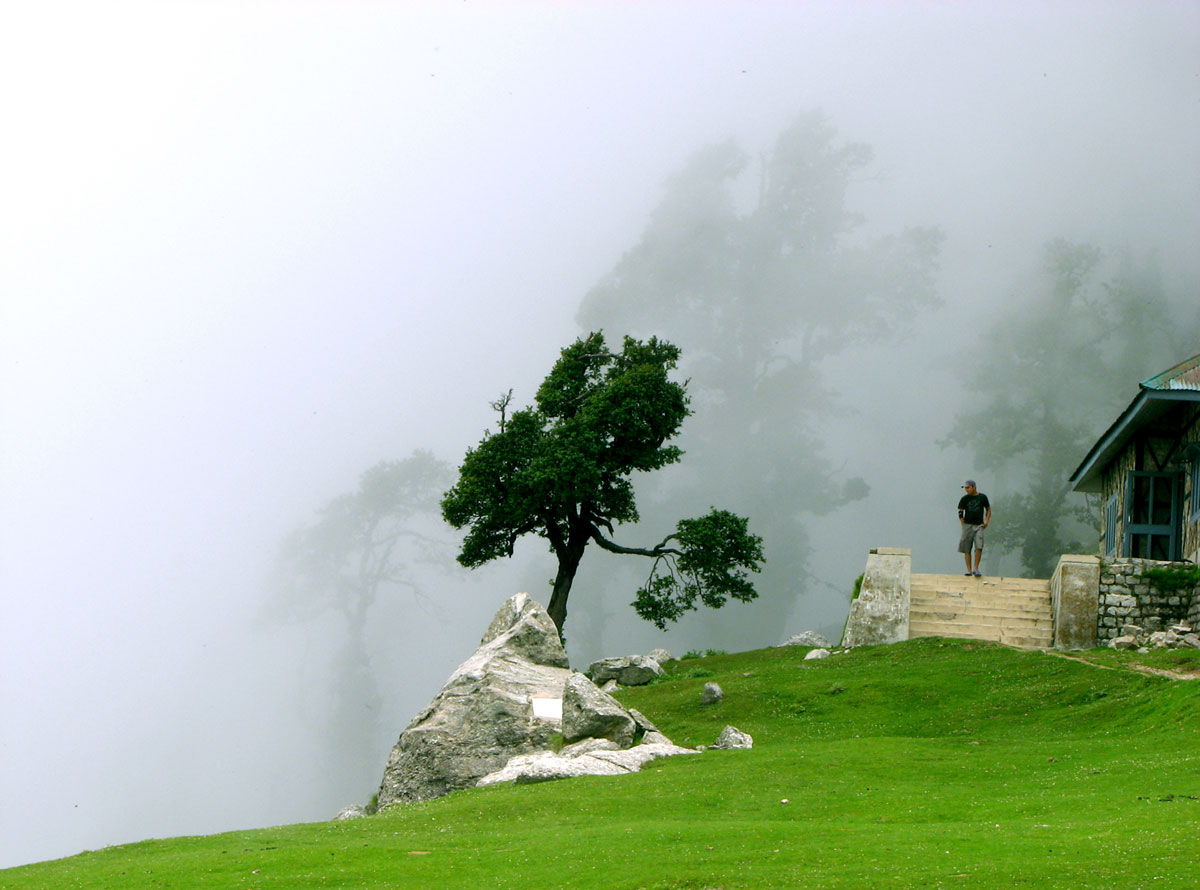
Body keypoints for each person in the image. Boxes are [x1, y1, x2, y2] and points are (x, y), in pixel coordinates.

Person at [957, 479, 991, 576]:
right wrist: (963, 523)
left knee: (979, 546)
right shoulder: (964, 499)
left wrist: (986, 520)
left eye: (968, 488)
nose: (966, 490)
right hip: (967, 525)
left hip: (979, 525)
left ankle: (976, 568)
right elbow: (960, 511)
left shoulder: (982, 497)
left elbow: (988, 509)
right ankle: (969, 570)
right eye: (965, 488)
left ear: (974, 487)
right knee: (967, 548)